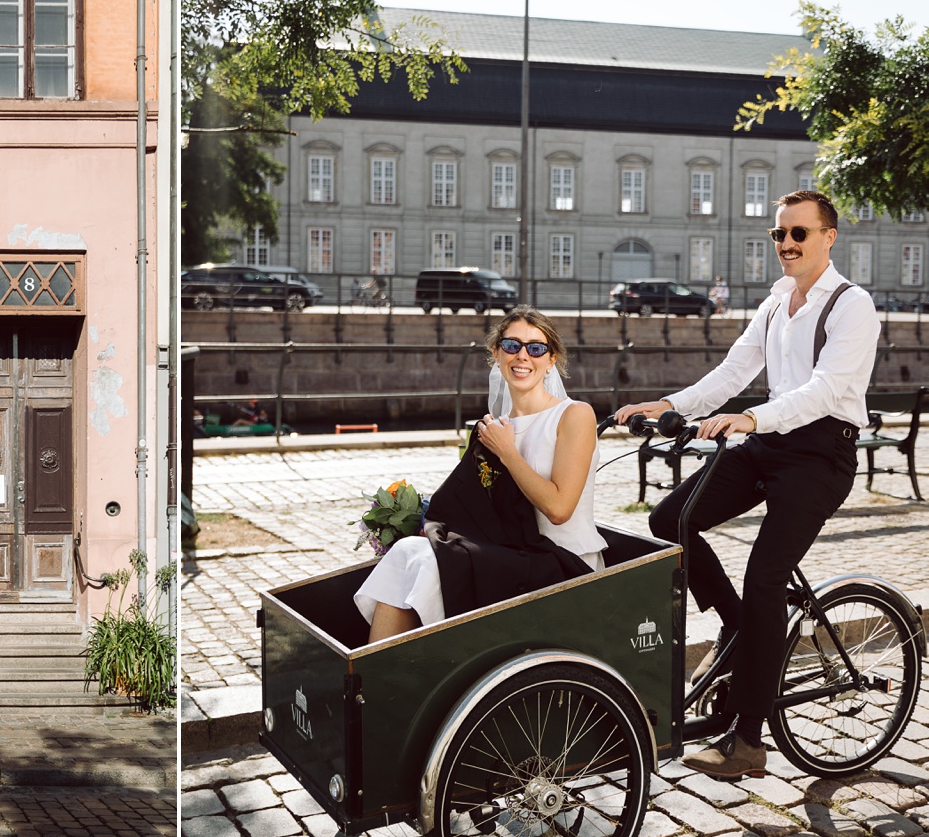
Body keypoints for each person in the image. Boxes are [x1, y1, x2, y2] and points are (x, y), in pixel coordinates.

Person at [615, 190, 878, 778]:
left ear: (828, 237)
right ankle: (739, 626)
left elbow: (828, 390)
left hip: (819, 454)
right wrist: (666, 404)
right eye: (779, 235)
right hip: (770, 441)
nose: (786, 244)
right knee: (669, 522)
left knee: (764, 577)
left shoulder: (850, 305)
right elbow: (734, 370)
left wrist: (753, 417)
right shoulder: (778, 300)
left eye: (798, 234)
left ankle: (749, 742)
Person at [355, 307, 605, 643]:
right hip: (513, 552)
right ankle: (378, 677)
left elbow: (560, 510)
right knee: (406, 550)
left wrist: (508, 453)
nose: (522, 356)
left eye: (536, 348)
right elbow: (478, 502)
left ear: (551, 359)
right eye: (512, 345)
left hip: (563, 560)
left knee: (430, 564)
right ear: (496, 353)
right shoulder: (495, 427)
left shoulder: (574, 415)